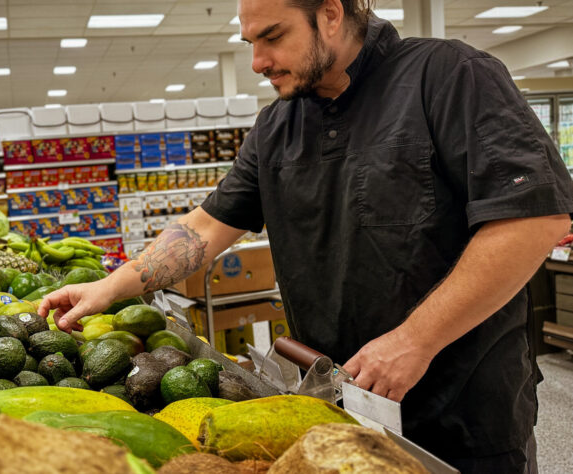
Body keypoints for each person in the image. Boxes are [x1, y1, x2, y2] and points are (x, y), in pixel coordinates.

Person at [39, 0, 573, 471]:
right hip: (338, 406)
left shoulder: (450, 75)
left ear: (332, 13)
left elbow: (534, 219)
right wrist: (109, 287)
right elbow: (203, 228)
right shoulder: (276, 128)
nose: (258, 61)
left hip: (463, 417)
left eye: (273, 36)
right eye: (250, 43)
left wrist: (415, 341)